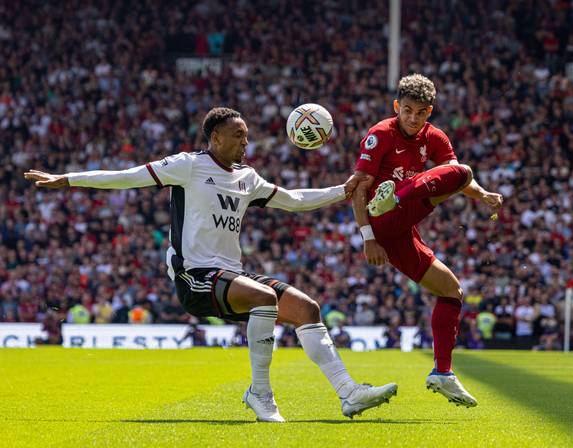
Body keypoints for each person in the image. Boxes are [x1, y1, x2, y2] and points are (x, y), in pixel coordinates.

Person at [24, 107, 397, 422]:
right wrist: (68, 180)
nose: (245, 143)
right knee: (265, 298)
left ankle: (349, 392)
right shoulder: (187, 166)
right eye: (238, 136)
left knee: (306, 308)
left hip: (230, 275)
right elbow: (128, 177)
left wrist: (343, 189)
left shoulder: (246, 178)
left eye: (246, 136)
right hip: (195, 278)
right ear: (215, 137)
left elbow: (294, 199)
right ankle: (261, 395)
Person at [350, 74, 503, 408]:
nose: (413, 118)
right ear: (396, 107)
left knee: (451, 290)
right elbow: (358, 188)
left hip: (403, 224)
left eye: (420, 112)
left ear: (429, 111)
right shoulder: (379, 135)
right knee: (461, 172)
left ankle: (442, 373)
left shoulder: (434, 137)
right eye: (407, 110)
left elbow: (453, 178)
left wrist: (484, 196)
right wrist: (367, 238)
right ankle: (395, 198)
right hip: (380, 219)